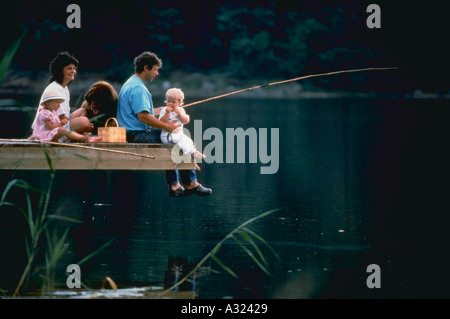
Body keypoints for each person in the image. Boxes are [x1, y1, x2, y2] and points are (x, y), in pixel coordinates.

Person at [117, 51, 211, 197]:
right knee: (177, 140)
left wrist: (162, 110)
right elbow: (143, 117)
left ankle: (178, 184)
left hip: (131, 131)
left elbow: (140, 113)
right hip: (136, 134)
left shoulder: (131, 83)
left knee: (174, 137)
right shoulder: (138, 89)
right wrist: (167, 127)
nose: (157, 73)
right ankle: (187, 183)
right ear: (146, 68)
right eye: (155, 69)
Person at [31, 52, 92, 138]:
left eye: (74, 68)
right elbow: (61, 118)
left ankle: (74, 135)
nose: (73, 71)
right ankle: (72, 136)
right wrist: (82, 125)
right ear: (60, 70)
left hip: (60, 122)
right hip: (50, 128)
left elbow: (65, 117)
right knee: (84, 122)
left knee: (82, 111)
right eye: (69, 68)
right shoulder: (54, 88)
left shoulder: (65, 88)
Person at [32, 89, 102, 143]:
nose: (59, 104)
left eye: (59, 102)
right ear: (47, 103)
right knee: (63, 130)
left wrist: (64, 120)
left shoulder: (53, 112)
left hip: (51, 133)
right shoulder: (45, 113)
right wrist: (60, 124)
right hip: (45, 135)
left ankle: (85, 138)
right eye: (56, 102)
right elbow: (50, 127)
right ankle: (83, 138)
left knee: (64, 130)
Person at [159, 88, 205, 159]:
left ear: (179, 103)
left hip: (179, 134)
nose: (170, 103)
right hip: (167, 136)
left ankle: (193, 152)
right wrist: (167, 114)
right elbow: (161, 122)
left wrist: (180, 115)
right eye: (169, 101)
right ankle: (192, 153)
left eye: (173, 102)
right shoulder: (164, 110)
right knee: (180, 141)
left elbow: (186, 121)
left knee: (189, 140)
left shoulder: (181, 110)